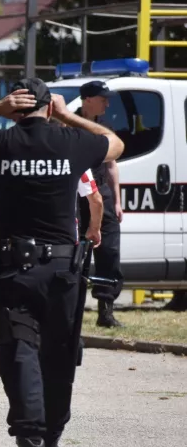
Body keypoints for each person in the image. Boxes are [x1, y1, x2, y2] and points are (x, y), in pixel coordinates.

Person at [0, 77, 123, 447]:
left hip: (14, 272)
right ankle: (52, 440)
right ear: (48, 107)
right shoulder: (71, 143)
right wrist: (67, 116)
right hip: (62, 275)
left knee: (19, 355)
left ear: (15, 110)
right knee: (58, 360)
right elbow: (114, 143)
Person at [75, 81, 124, 327]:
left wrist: (117, 200)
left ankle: (106, 311)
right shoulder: (69, 124)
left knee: (109, 254)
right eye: (103, 98)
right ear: (87, 99)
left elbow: (112, 166)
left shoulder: (106, 128)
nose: (107, 102)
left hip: (102, 196)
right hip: (76, 198)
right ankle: (72, 310)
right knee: (75, 255)